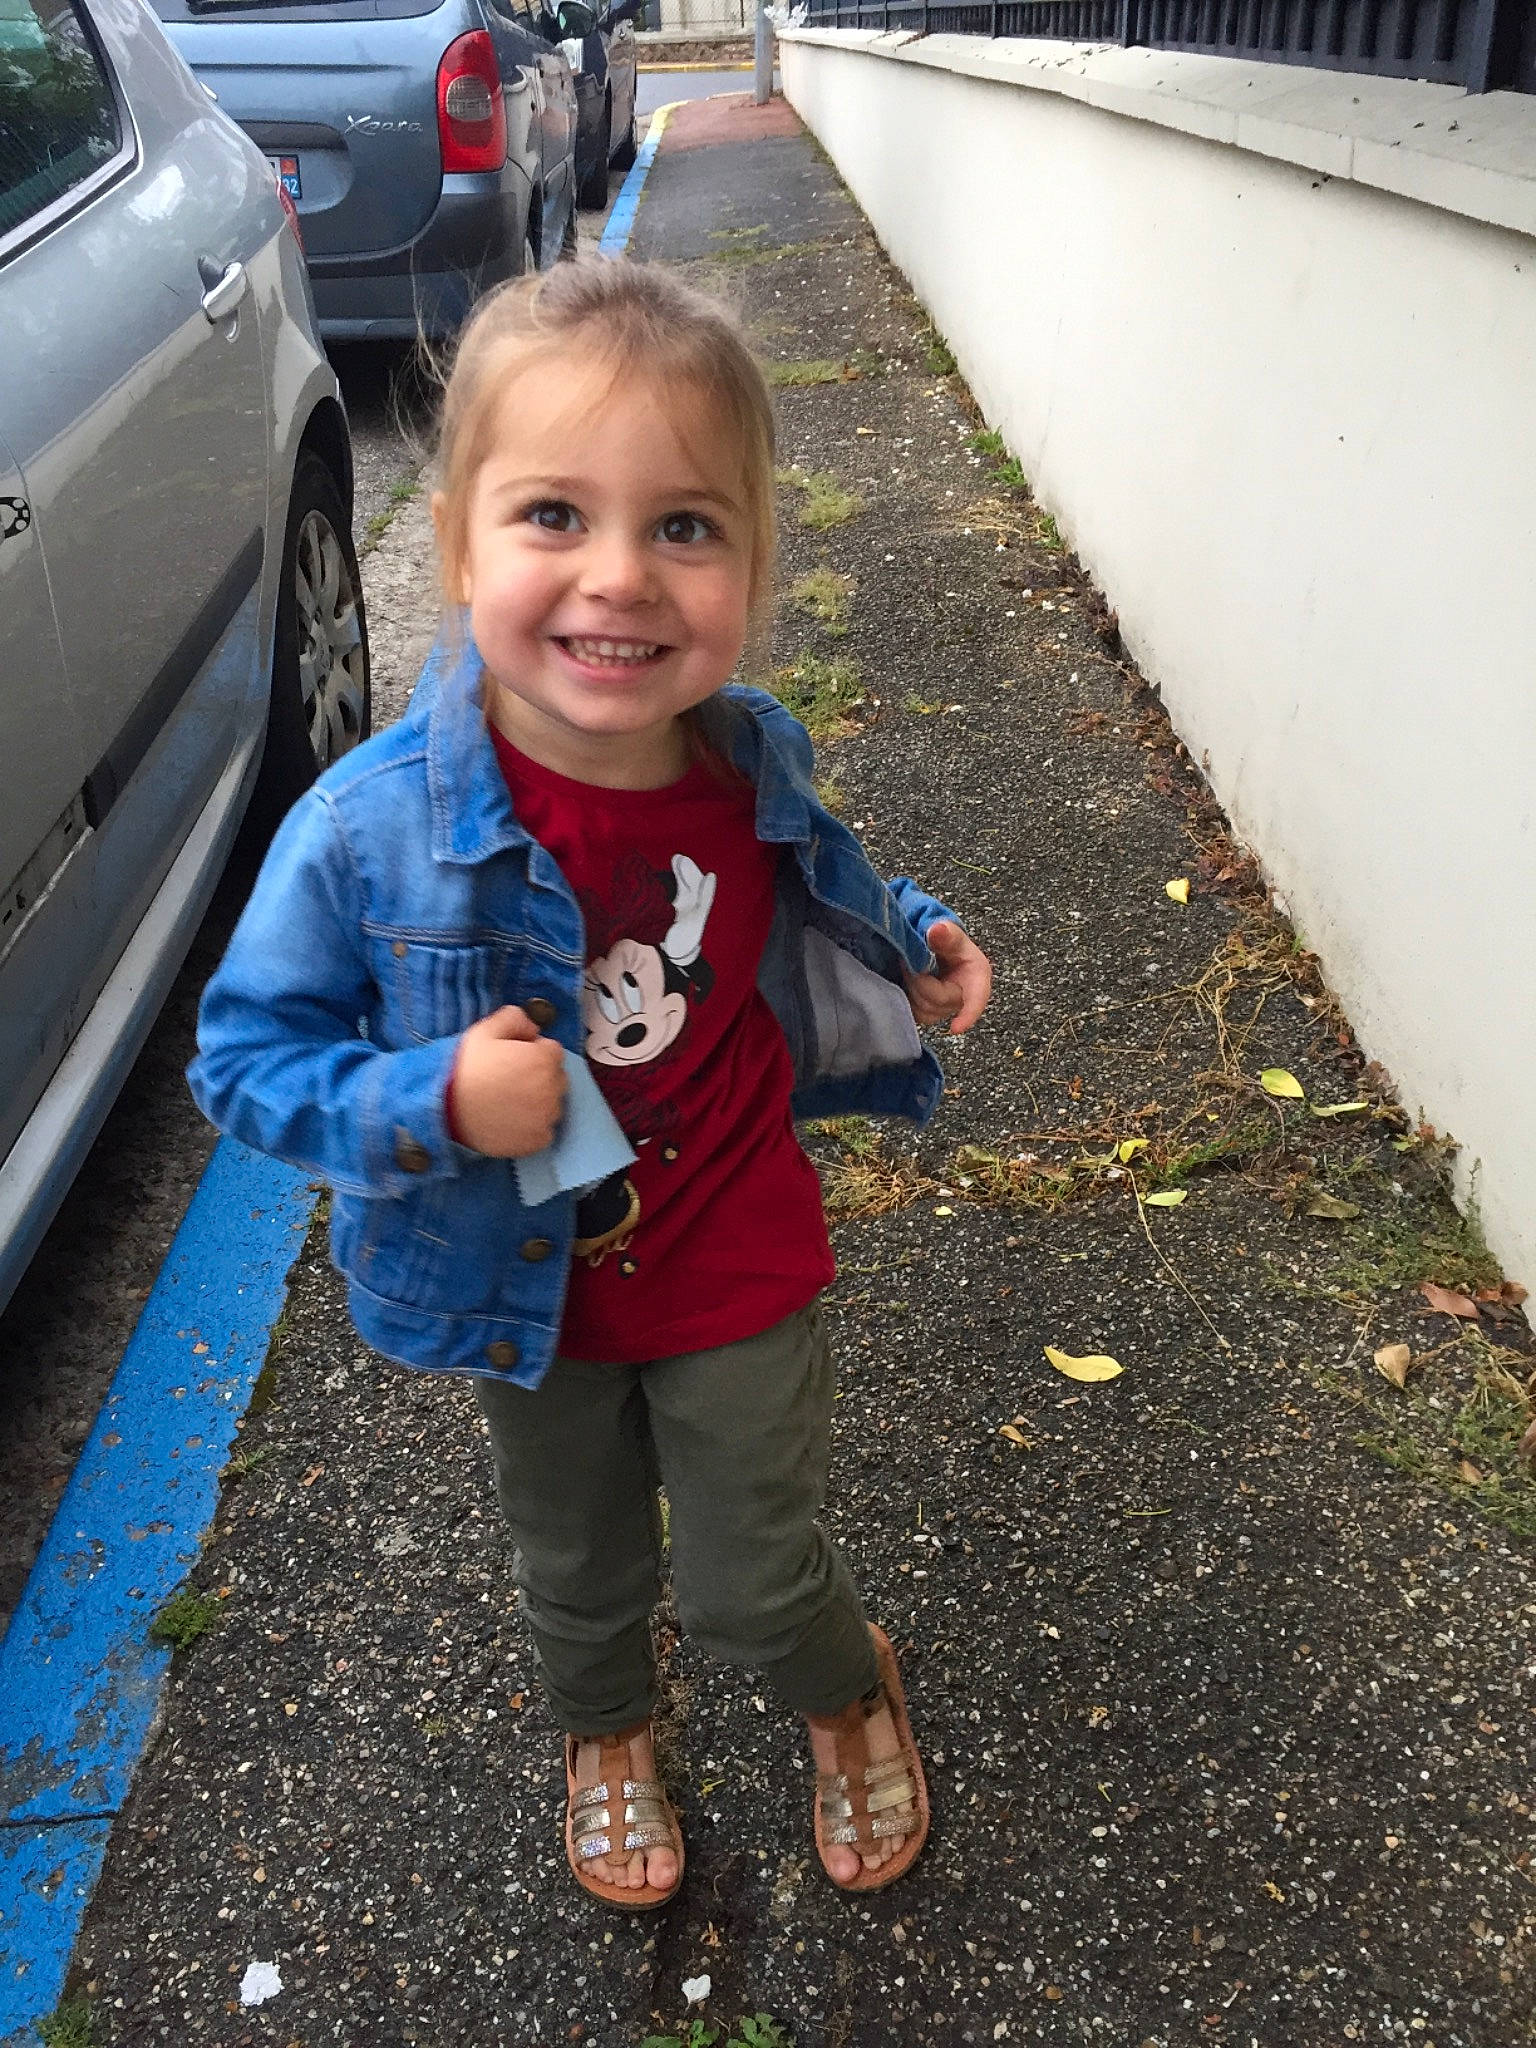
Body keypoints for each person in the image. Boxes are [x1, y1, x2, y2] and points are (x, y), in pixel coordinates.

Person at [189, 258, 991, 1911]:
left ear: (754, 564)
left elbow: (817, 869)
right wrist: (425, 1098)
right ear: (460, 541)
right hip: (527, 1294)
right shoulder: (365, 826)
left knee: (759, 1574)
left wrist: (907, 932)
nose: (619, 578)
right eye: (554, 513)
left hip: (734, 1251)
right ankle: (607, 1729)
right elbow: (245, 1061)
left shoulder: (746, 751)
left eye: (686, 527)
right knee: (576, 1567)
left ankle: (840, 1680)